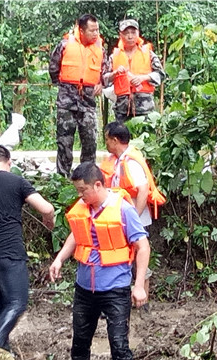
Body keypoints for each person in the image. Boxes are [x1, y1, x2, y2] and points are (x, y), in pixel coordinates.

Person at [49, 162, 150, 360]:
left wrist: (139, 285)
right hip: (85, 289)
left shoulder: (123, 210)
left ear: (97, 185)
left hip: (115, 289)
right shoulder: (84, 208)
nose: (80, 195)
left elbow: (143, 246)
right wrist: (59, 259)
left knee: (119, 345)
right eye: (78, 190)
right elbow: (77, 235)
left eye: (83, 190)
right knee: (80, 343)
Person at [0, 145, 55, 351]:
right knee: (17, 302)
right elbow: (47, 208)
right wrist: (48, 221)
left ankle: (0, 352)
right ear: (9, 162)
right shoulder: (17, 181)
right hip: (9, 251)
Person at [100, 121, 166, 308]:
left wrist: (133, 218)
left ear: (115, 140)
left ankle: (142, 302)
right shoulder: (116, 160)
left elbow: (143, 190)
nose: (106, 143)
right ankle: (123, 301)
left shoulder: (131, 162)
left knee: (139, 258)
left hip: (135, 220)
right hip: (119, 219)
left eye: (107, 139)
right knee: (122, 258)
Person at [49, 14, 108, 177]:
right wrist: (65, 86)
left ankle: (87, 178)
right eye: (92, 30)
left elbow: (106, 71)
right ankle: (62, 179)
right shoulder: (65, 45)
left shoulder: (100, 49)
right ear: (81, 30)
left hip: (88, 103)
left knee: (90, 142)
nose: (96, 34)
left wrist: (101, 83)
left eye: (97, 30)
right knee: (64, 142)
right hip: (66, 102)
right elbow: (53, 67)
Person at [103, 19, 165, 123]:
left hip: (144, 109)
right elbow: (104, 78)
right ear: (120, 35)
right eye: (126, 33)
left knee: (145, 133)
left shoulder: (148, 54)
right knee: (122, 134)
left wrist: (143, 78)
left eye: (133, 32)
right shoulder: (114, 56)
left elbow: (161, 74)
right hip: (122, 110)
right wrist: (115, 73)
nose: (130, 36)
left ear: (138, 33)